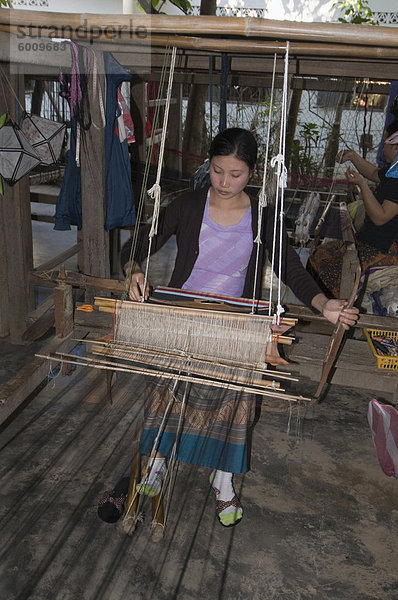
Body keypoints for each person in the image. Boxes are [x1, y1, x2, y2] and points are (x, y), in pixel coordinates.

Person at [120, 128, 358, 528]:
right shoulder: (187, 205)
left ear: (253, 173)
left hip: (235, 316)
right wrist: (135, 272)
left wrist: (324, 304)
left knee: (236, 398)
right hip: (185, 310)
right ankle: (159, 460)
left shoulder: (263, 215)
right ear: (208, 167)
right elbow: (136, 248)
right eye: (217, 172)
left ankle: (223, 476)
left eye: (236, 174)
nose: (225, 183)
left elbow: (290, 268)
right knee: (168, 387)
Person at [309, 119, 398, 299]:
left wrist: (362, 185)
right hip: (370, 242)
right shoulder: (393, 171)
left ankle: (334, 311)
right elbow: (374, 173)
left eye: (384, 142)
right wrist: (353, 157)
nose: (382, 148)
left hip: (384, 251)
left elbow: (380, 217)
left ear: (395, 147)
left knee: (327, 265)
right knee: (321, 253)